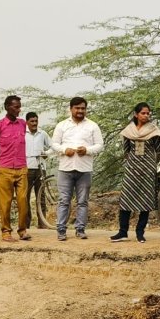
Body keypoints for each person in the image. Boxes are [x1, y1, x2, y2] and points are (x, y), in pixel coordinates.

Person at [51, 96, 104, 241]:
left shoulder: (92, 126)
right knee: (64, 201)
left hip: (84, 169)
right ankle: (61, 230)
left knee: (82, 201)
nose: (80, 111)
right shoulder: (62, 125)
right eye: (77, 108)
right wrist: (64, 149)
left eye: (83, 108)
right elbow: (54, 144)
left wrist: (86, 150)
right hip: (65, 168)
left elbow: (100, 145)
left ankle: (80, 229)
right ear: (71, 109)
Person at [112, 102, 160, 243]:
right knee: (125, 200)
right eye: (143, 113)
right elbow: (126, 150)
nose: (146, 115)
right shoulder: (128, 131)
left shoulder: (154, 131)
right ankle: (122, 232)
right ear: (136, 114)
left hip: (147, 169)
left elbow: (159, 150)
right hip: (131, 170)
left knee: (145, 201)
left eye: (148, 113)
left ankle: (140, 233)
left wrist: (149, 163)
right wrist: (132, 164)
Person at [0, 95, 31, 243]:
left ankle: (22, 230)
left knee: (23, 201)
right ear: (7, 107)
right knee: (5, 202)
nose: (19, 109)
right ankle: (6, 231)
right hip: (4, 168)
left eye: (19, 106)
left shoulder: (22, 124)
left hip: (21, 168)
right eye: (16, 107)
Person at [24, 112, 52, 230]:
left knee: (41, 197)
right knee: (25, 197)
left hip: (40, 168)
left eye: (36, 121)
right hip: (26, 168)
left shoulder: (42, 134)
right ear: (27, 122)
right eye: (32, 121)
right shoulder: (22, 134)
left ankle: (42, 223)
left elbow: (52, 146)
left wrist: (46, 153)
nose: (34, 123)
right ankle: (26, 224)